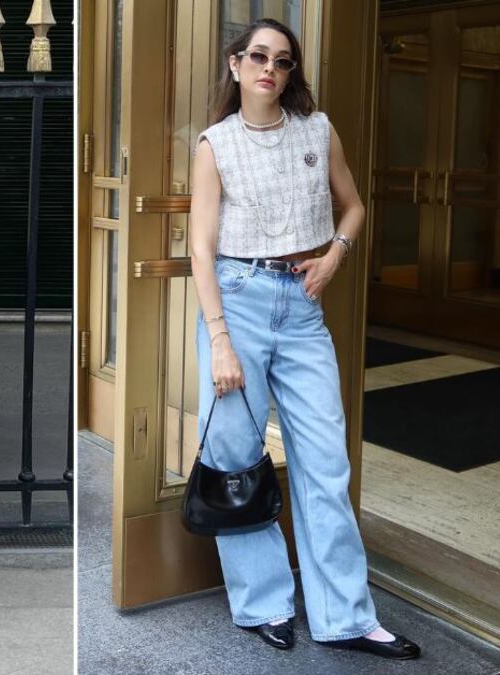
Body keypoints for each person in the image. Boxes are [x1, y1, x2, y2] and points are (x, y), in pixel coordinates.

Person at [188, 18, 420, 661]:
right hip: (236, 301)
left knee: (326, 462)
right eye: (258, 56)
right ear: (235, 65)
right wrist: (220, 341)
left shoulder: (317, 130)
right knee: (237, 458)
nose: (270, 68)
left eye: (282, 60)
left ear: (291, 72)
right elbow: (200, 249)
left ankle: (345, 617)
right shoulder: (215, 144)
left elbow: (354, 206)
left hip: (301, 308)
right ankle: (264, 603)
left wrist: (335, 254)